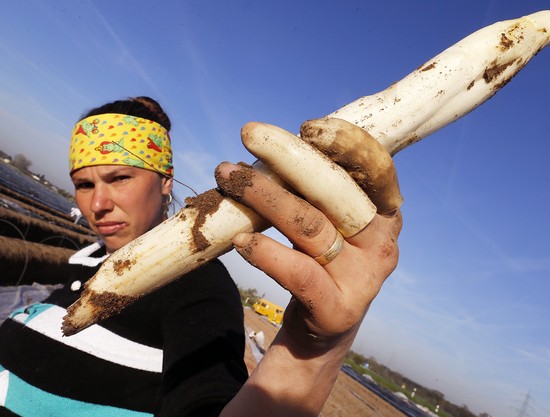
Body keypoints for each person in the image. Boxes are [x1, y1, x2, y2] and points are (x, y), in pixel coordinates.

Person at [0, 96, 402, 417]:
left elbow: (207, 398)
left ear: (165, 182)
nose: (98, 203)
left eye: (119, 178)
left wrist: (310, 355)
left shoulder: (196, 288)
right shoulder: (84, 257)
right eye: (83, 184)